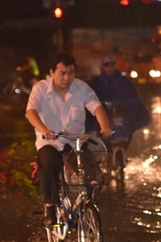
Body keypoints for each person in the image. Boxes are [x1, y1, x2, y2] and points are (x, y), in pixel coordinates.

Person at [25, 53, 114, 226]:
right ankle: (49, 207)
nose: (67, 78)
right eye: (62, 73)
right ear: (52, 72)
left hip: (75, 141)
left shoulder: (81, 88)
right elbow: (30, 112)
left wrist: (105, 127)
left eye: (71, 73)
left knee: (92, 172)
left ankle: (87, 205)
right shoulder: (41, 89)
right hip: (49, 141)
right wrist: (44, 129)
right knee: (49, 165)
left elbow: (97, 108)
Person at [88, 54, 150, 143]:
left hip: (121, 114)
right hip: (103, 113)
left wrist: (122, 103)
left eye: (112, 65)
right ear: (103, 66)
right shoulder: (96, 81)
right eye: (107, 65)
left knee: (122, 132)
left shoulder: (123, 81)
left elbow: (133, 97)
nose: (110, 68)